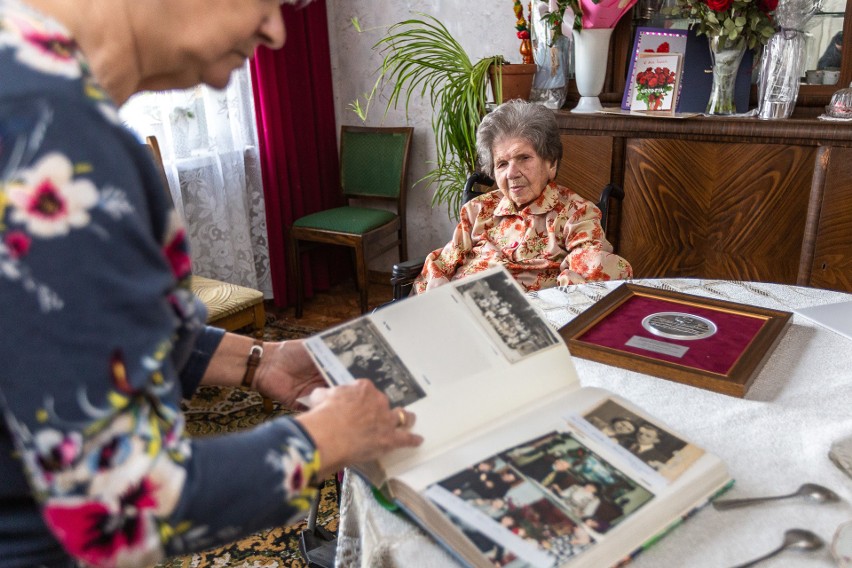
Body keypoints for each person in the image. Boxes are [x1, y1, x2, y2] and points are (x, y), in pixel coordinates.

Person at [0, 1, 423, 567]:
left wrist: (260, 361)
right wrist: (328, 438)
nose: (276, 32)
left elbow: (82, 334)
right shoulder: (59, 135)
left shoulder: (31, 92)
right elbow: (123, 512)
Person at [413, 99, 632, 294]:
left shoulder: (576, 214)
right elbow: (443, 263)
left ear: (551, 163)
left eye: (524, 158)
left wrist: (566, 288)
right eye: (502, 163)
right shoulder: (479, 209)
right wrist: (438, 287)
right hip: (461, 315)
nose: (512, 173)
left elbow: (590, 266)